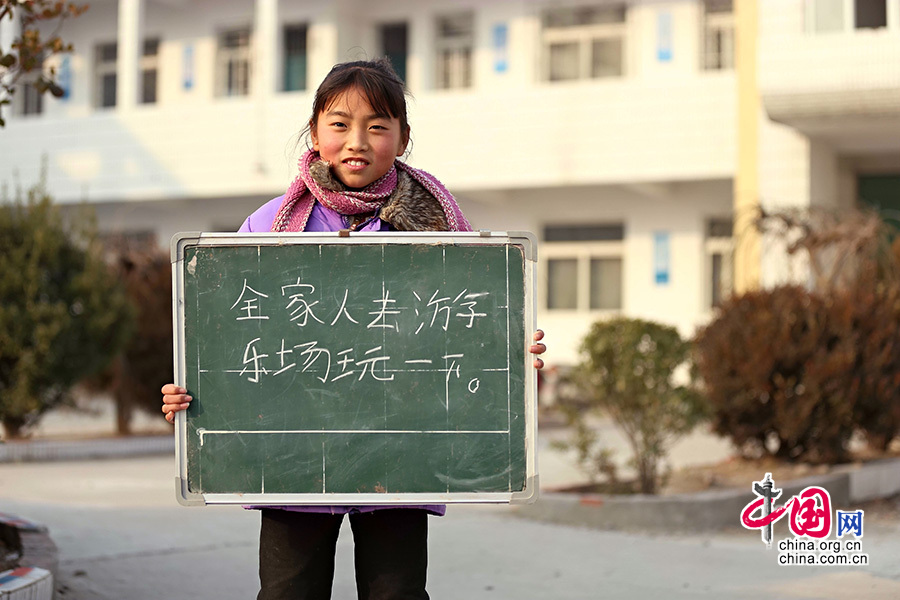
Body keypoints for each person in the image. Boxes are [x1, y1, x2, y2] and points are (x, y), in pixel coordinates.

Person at [161, 57, 546, 600]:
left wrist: (512, 349)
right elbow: (225, 334)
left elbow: (472, 326)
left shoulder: (438, 227)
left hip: (401, 457)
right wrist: (190, 394)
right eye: (339, 124)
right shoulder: (266, 228)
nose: (356, 140)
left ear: (403, 138)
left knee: (397, 594)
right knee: (288, 594)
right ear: (315, 132)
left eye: (377, 126)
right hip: (293, 461)